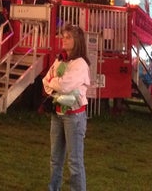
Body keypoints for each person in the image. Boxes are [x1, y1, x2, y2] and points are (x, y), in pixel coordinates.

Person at [42, 23, 91, 191]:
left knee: (74, 162)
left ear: (77, 41)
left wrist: (53, 83)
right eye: (63, 36)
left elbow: (63, 86)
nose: (64, 39)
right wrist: (55, 84)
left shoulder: (80, 64)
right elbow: (45, 81)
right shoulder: (60, 60)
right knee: (55, 159)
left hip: (74, 117)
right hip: (57, 114)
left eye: (68, 37)